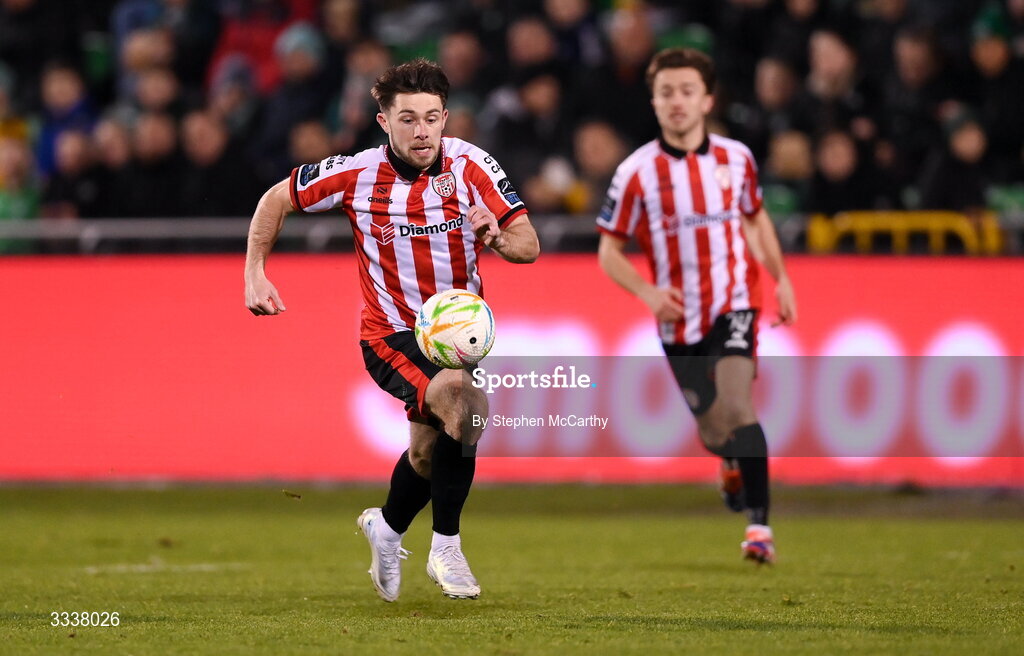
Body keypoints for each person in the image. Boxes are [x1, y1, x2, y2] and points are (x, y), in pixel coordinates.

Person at [243, 58, 540, 600]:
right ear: (384, 122)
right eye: (408, 118)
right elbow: (276, 199)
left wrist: (495, 236)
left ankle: (386, 527)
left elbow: (529, 244)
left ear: (446, 116)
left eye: (431, 117)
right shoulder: (355, 174)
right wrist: (254, 271)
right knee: (466, 406)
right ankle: (446, 548)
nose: (422, 130)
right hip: (391, 335)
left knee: (428, 454)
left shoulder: (473, 167)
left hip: (456, 338)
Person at [596, 48, 797, 565]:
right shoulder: (635, 172)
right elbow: (608, 251)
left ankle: (759, 528)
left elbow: (755, 220)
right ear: (655, 102)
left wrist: (781, 279)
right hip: (678, 318)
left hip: (735, 303)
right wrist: (647, 293)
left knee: (737, 404)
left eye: (687, 91)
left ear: (707, 99)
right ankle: (729, 459)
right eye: (666, 93)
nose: (677, 102)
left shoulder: (737, 159)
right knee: (712, 430)